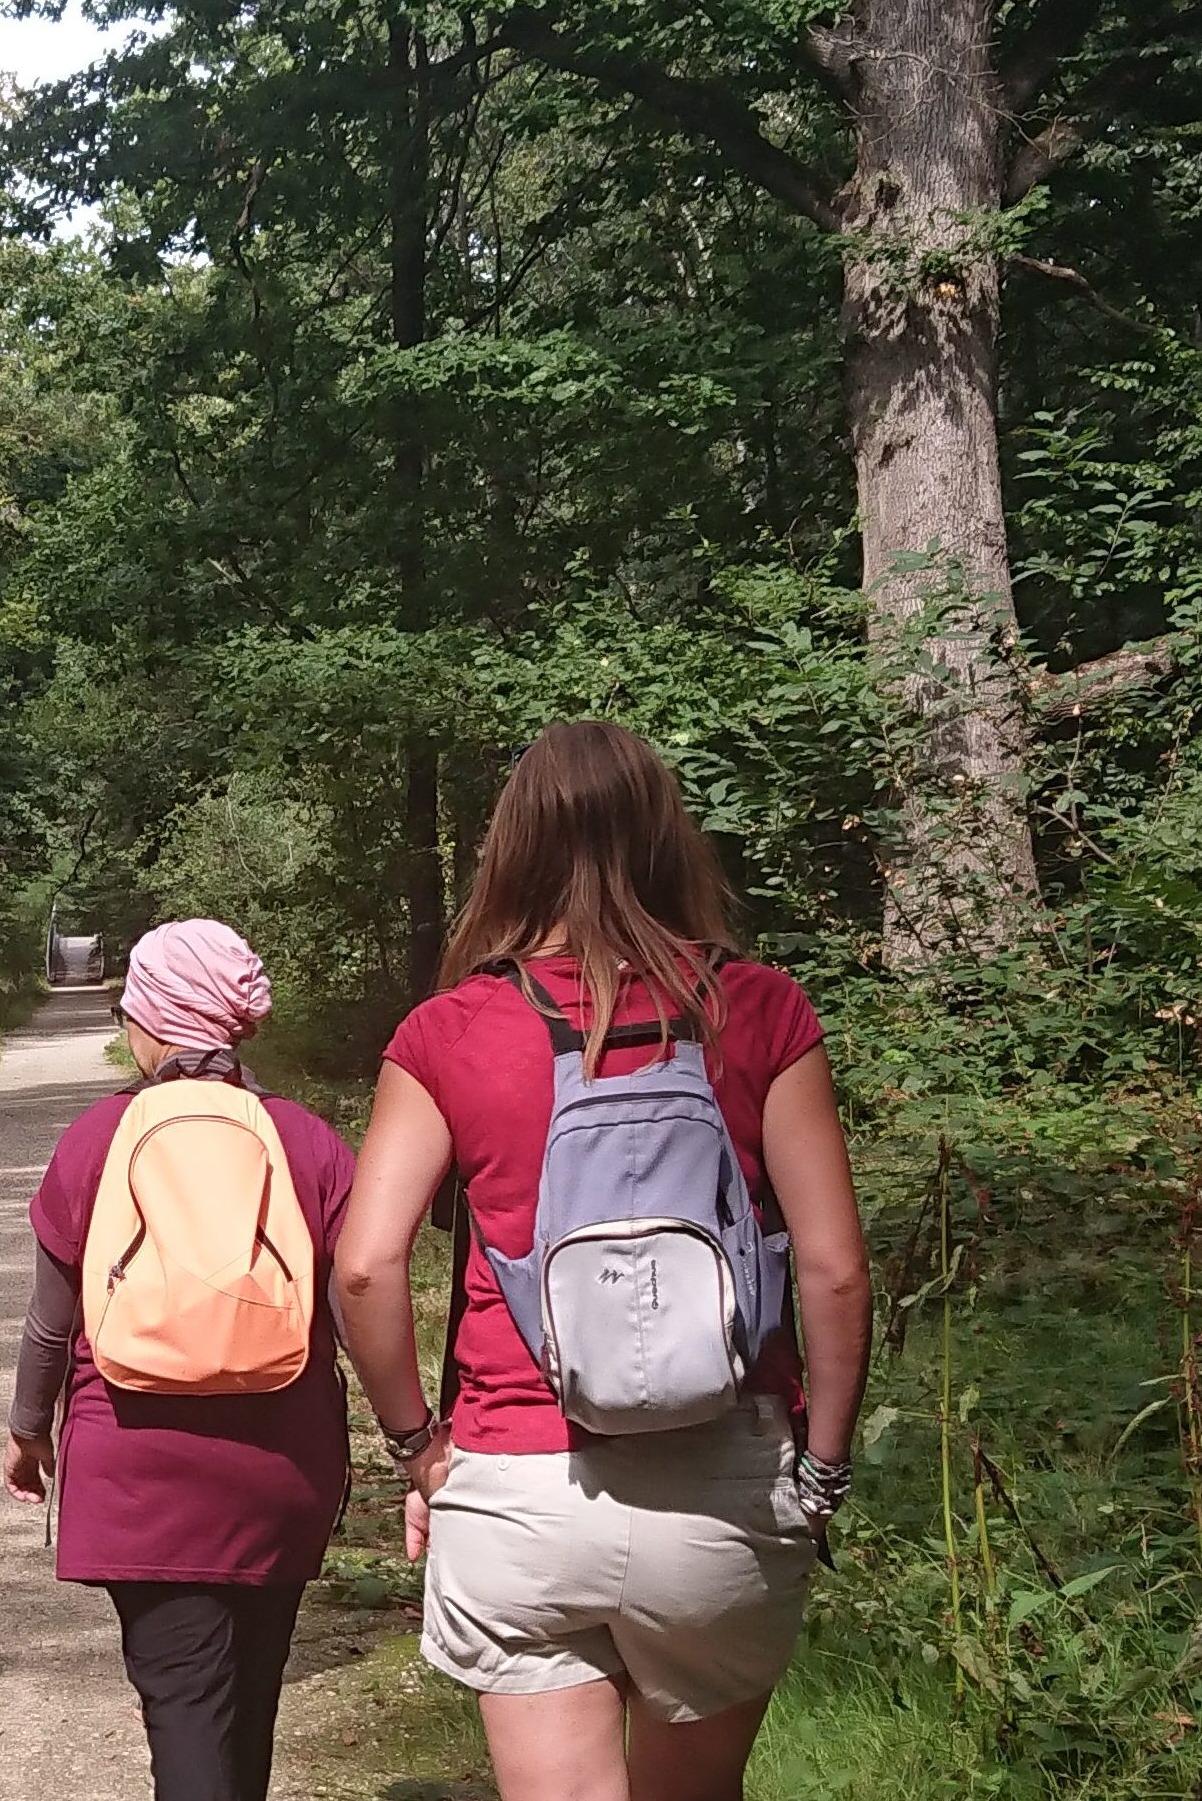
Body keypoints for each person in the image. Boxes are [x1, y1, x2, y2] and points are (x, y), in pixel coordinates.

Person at [333, 721, 875, 1801]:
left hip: (518, 1482)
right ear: (667, 835)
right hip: (719, 1484)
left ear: (510, 849)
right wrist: (819, 1471)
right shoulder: (755, 1007)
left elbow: (361, 1267)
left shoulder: (449, 1030)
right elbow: (834, 1272)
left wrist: (416, 1452)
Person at [2, 920, 355, 1801]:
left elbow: (52, 1325)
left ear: (154, 1022)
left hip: (139, 1470)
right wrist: (409, 1436)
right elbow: (358, 1301)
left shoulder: (97, 1139)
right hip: (282, 1469)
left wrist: (26, 1433)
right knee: (253, 1695)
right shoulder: (305, 1140)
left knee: (186, 1704)